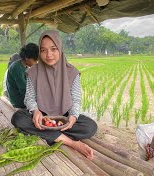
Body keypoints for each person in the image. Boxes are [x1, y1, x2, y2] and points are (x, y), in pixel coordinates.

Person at [11, 30, 97, 160]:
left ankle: (49, 136)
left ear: (60, 49)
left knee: (90, 127)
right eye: (43, 50)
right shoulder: (32, 72)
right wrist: (35, 111)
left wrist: (73, 117)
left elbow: (76, 99)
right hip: (42, 118)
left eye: (53, 49)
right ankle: (71, 142)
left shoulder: (72, 72)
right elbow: (29, 97)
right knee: (18, 117)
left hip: (64, 117)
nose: (49, 55)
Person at [6, 43, 39, 108]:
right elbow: (24, 89)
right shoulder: (17, 68)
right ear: (26, 58)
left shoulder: (23, 66)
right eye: (35, 60)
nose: (36, 63)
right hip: (19, 102)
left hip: (23, 98)